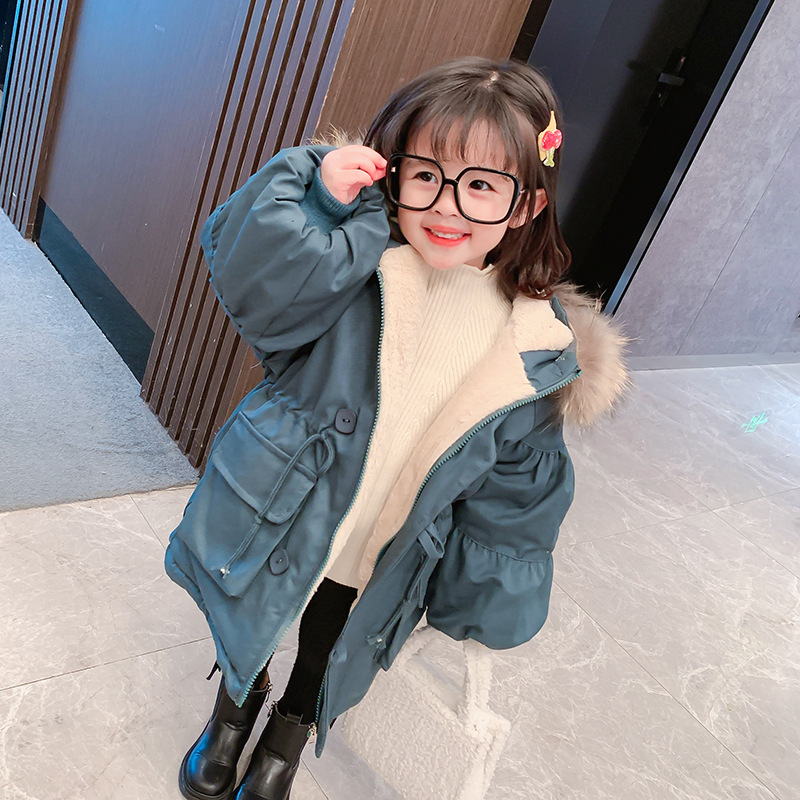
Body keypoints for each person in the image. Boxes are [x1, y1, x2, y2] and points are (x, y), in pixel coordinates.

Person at [166, 57, 628, 800]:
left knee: (328, 639)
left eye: (482, 185)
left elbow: (518, 493)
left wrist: (483, 596)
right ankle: (233, 707)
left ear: (527, 206)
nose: (447, 206)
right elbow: (258, 285)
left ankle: (288, 732)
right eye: (427, 175)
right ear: (394, 174)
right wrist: (318, 195)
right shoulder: (352, 266)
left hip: (388, 536)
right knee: (252, 613)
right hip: (289, 503)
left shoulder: (535, 347)